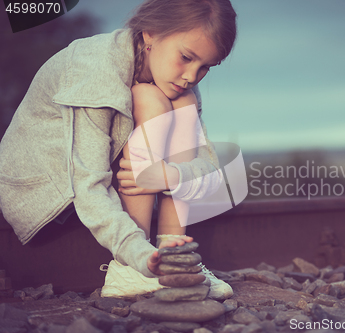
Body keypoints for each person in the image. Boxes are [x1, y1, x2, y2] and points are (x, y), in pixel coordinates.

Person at [0, 0, 237, 300]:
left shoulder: (176, 81)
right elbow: (88, 186)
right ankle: (129, 269)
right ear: (150, 33)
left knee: (182, 104)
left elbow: (211, 171)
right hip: (46, 190)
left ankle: (173, 256)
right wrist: (137, 253)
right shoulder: (95, 69)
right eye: (187, 57)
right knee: (150, 101)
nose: (192, 75)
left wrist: (170, 176)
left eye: (205, 67)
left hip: (90, 179)